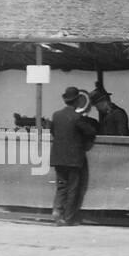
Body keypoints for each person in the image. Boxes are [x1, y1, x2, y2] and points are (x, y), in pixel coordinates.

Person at [50, 87, 97, 226]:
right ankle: (68, 218)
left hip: (58, 157)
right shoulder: (77, 117)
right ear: (77, 101)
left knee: (61, 186)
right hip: (74, 159)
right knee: (73, 188)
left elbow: (53, 132)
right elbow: (90, 132)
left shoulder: (56, 115)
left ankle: (57, 210)